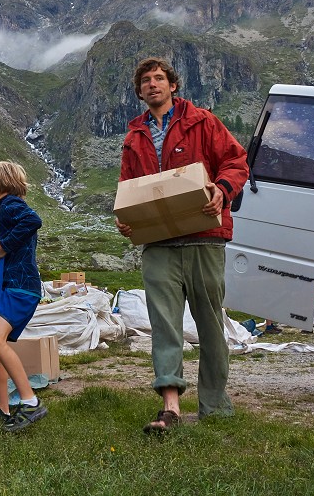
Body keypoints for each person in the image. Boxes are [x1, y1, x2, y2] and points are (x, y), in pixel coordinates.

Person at [115, 56, 249, 433]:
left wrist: (222, 190)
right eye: (145, 80)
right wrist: (125, 220)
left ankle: (215, 406)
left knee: (210, 325)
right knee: (164, 326)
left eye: (159, 78)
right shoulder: (133, 139)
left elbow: (236, 162)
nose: (152, 84)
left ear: (173, 85)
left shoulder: (203, 121)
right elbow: (127, 190)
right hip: (158, 244)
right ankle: (170, 408)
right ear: (140, 92)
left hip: (205, 239)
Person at [0, 161, 47, 432]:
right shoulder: (7, 207)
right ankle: (2, 407)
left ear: (3, 184)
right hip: (14, 286)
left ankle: (30, 402)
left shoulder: (11, 205)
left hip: (21, 287)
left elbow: (33, 221)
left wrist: (5, 245)